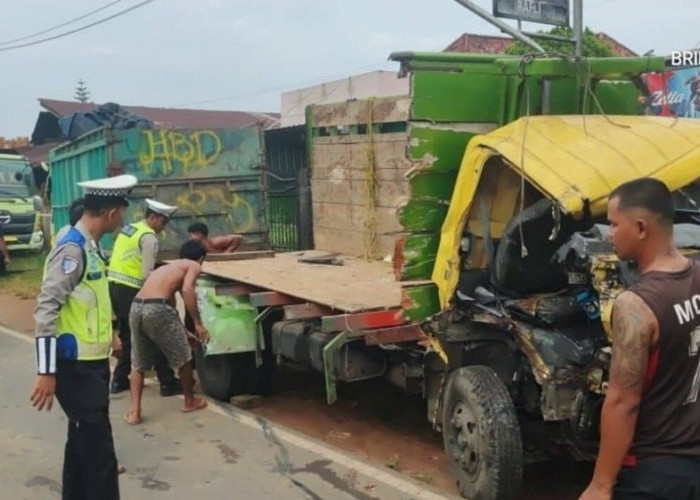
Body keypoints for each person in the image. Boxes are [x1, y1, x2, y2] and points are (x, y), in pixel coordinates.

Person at [580, 178, 700, 500]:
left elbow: (623, 402)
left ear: (642, 228)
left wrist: (601, 484)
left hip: (652, 472)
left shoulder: (636, 305)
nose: (610, 234)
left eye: (614, 224)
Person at [30, 174, 138, 500]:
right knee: (99, 453)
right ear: (112, 213)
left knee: (80, 445)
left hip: (90, 363)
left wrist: (112, 336)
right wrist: (46, 371)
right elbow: (46, 310)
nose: (123, 218)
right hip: (75, 367)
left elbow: (92, 301)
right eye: (122, 211)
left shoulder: (90, 247)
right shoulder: (73, 251)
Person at [124, 240, 210, 425]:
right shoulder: (193, 265)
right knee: (184, 357)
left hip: (137, 306)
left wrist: (183, 330)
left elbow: (169, 305)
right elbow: (187, 289)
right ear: (201, 258)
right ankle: (189, 401)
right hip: (156, 308)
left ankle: (135, 412)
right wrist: (197, 323)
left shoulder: (167, 268)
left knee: (138, 363)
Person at [108, 199, 182, 396]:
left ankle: (118, 380)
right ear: (152, 217)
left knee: (128, 336)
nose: (163, 228)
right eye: (163, 223)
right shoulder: (149, 237)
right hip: (132, 288)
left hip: (115, 286)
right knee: (154, 335)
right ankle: (167, 382)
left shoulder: (130, 229)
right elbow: (147, 274)